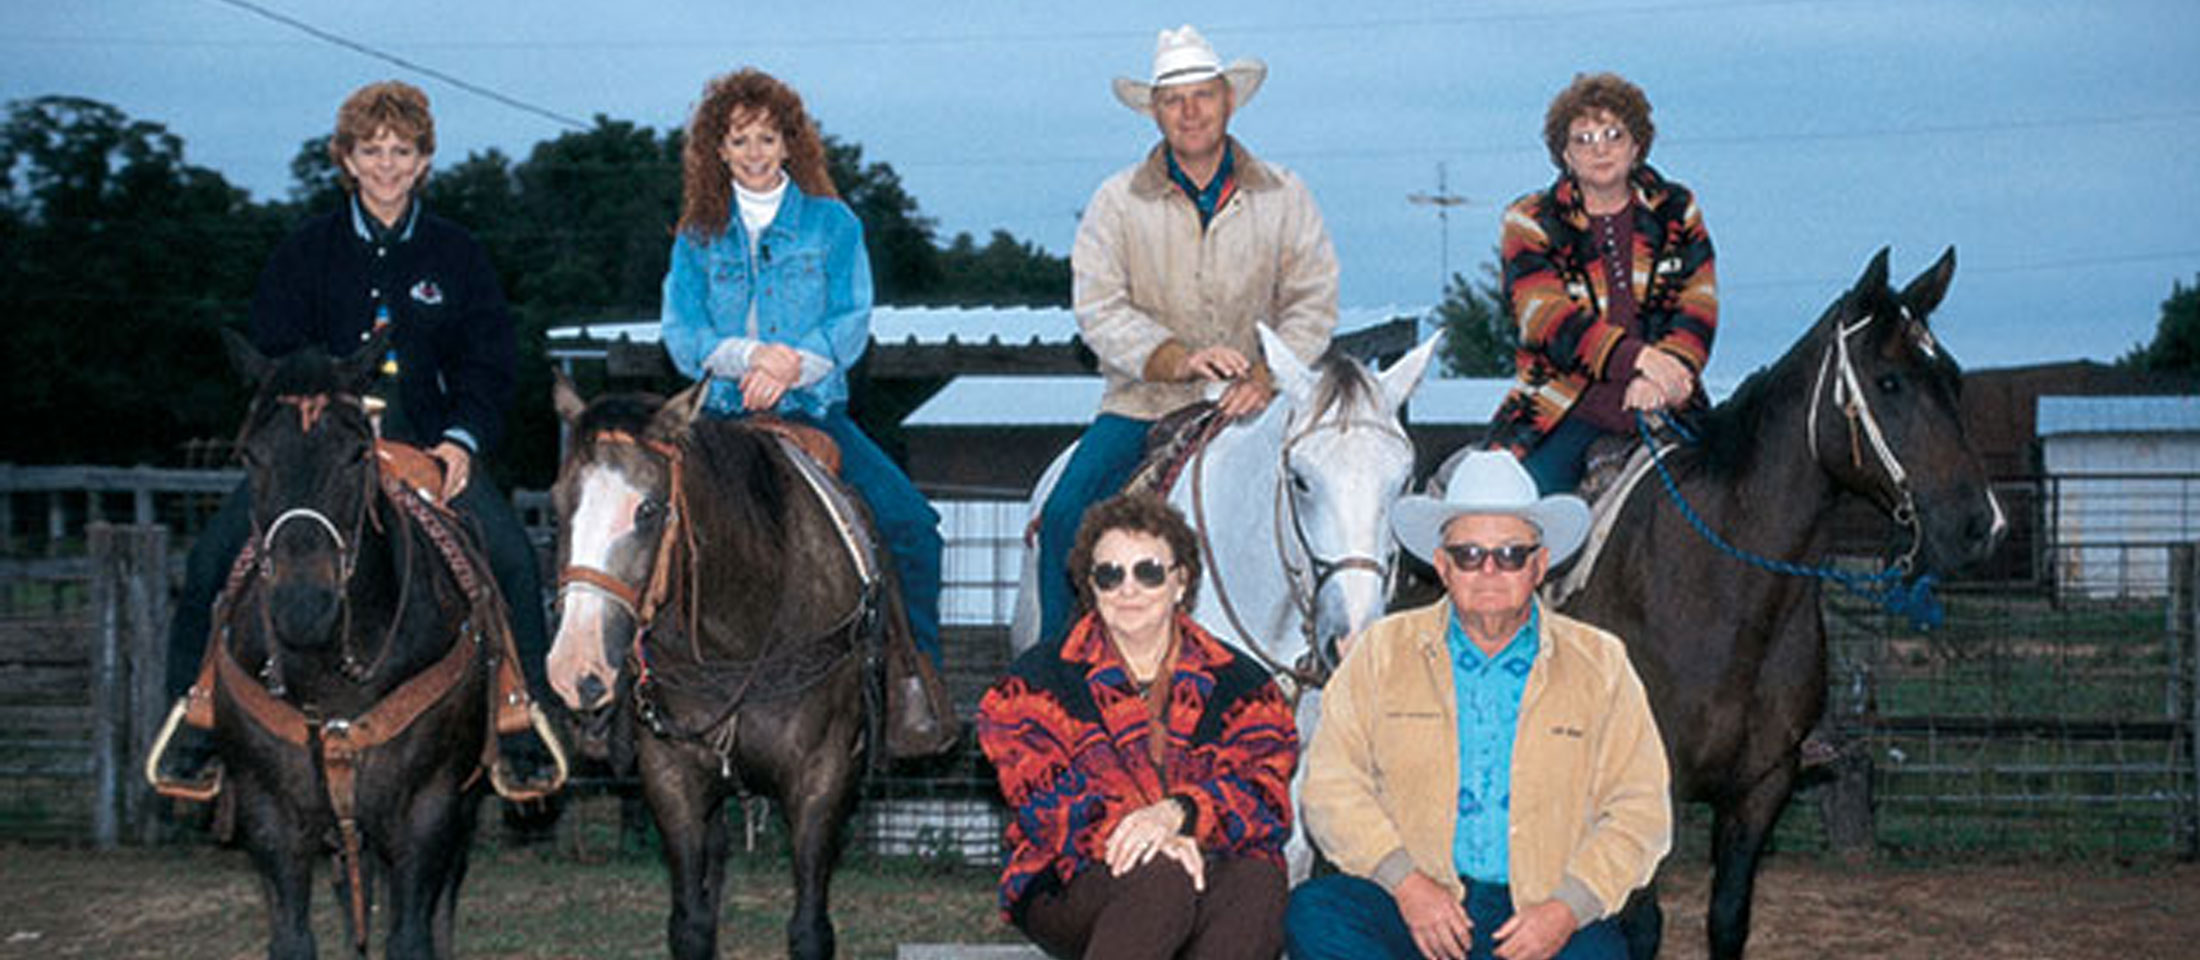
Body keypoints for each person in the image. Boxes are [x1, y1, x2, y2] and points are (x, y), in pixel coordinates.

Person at [156, 80, 555, 790]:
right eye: (372, 151)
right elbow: (275, 354)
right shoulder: (304, 251)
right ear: (346, 158)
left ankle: (523, 720)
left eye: (402, 151)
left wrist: (461, 440)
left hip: (429, 445)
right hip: (317, 452)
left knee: (515, 560)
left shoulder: (457, 254)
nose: (387, 166)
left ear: (426, 160)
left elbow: (489, 361)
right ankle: (197, 715)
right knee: (217, 557)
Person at [1285, 450, 1671, 960]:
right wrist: (1407, 884)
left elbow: (1640, 810)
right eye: (1468, 554)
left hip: (1543, 911)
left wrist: (1565, 910)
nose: (1489, 570)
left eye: (1510, 554)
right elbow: (1332, 786)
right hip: (1416, 905)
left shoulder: (1600, 663)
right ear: (1442, 565)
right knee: (1315, 913)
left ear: (1539, 564)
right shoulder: (1381, 653)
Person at [1035, 24, 1339, 645]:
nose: (1190, 111)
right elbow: (1098, 306)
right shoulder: (1116, 202)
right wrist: (1176, 358)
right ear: (1155, 112)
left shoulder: (1284, 195)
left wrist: (1264, 376)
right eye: (1174, 99)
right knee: (1066, 517)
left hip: (1261, 405)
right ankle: (1053, 675)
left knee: (1344, 507)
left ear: (1229, 101)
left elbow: (1312, 301)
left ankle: (1336, 657)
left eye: (1203, 95)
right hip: (1143, 404)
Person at [657, 68, 948, 674]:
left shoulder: (833, 223)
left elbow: (850, 319)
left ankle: (918, 683)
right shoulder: (695, 236)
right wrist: (749, 358)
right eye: (739, 140)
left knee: (913, 527)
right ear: (718, 150)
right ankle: (632, 694)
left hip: (813, 407)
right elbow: (683, 334)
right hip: (720, 416)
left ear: (790, 143)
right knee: (641, 533)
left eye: (767, 137)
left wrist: (791, 365)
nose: (754, 153)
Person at [980, 492, 1298, 960]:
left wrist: (1181, 814)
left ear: (1180, 581)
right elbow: (1047, 804)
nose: (1128, 589)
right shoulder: (1034, 683)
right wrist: (1152, 836)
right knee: (1160, 877)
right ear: (1091, 587)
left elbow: (1265, 798)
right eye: (1109, 575)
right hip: (1071, 876)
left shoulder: (1243, 684)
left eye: (1148, 572)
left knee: (1259, 881)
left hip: (1203, 860)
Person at [1487, 72, 1718, 495]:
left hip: (1669, 402)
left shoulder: (1677, 209)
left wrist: (1666, 373)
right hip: (1562, 408)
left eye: (1614, 134)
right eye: (1584, 139)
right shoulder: (1531, 219)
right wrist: (1639, 359)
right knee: (1515, 515)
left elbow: (1697, 304)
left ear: (1637, 145)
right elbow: (1547, 319)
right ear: (1565, 155)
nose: (1601, 149)